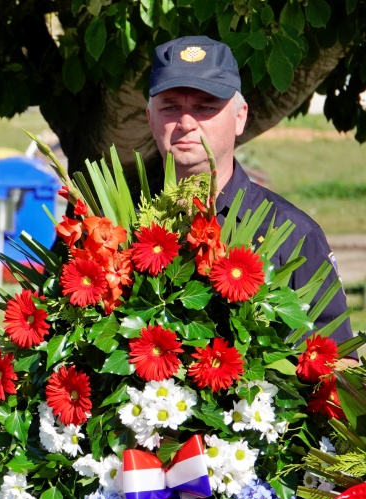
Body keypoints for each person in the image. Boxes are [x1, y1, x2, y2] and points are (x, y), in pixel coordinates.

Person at [146, 35, 355, 346]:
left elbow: (338, 361)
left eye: (205, 107)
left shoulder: (292, 234)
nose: (186, 122)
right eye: (171, 107)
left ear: (240, 117)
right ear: (150, 118)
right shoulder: (121, 223)